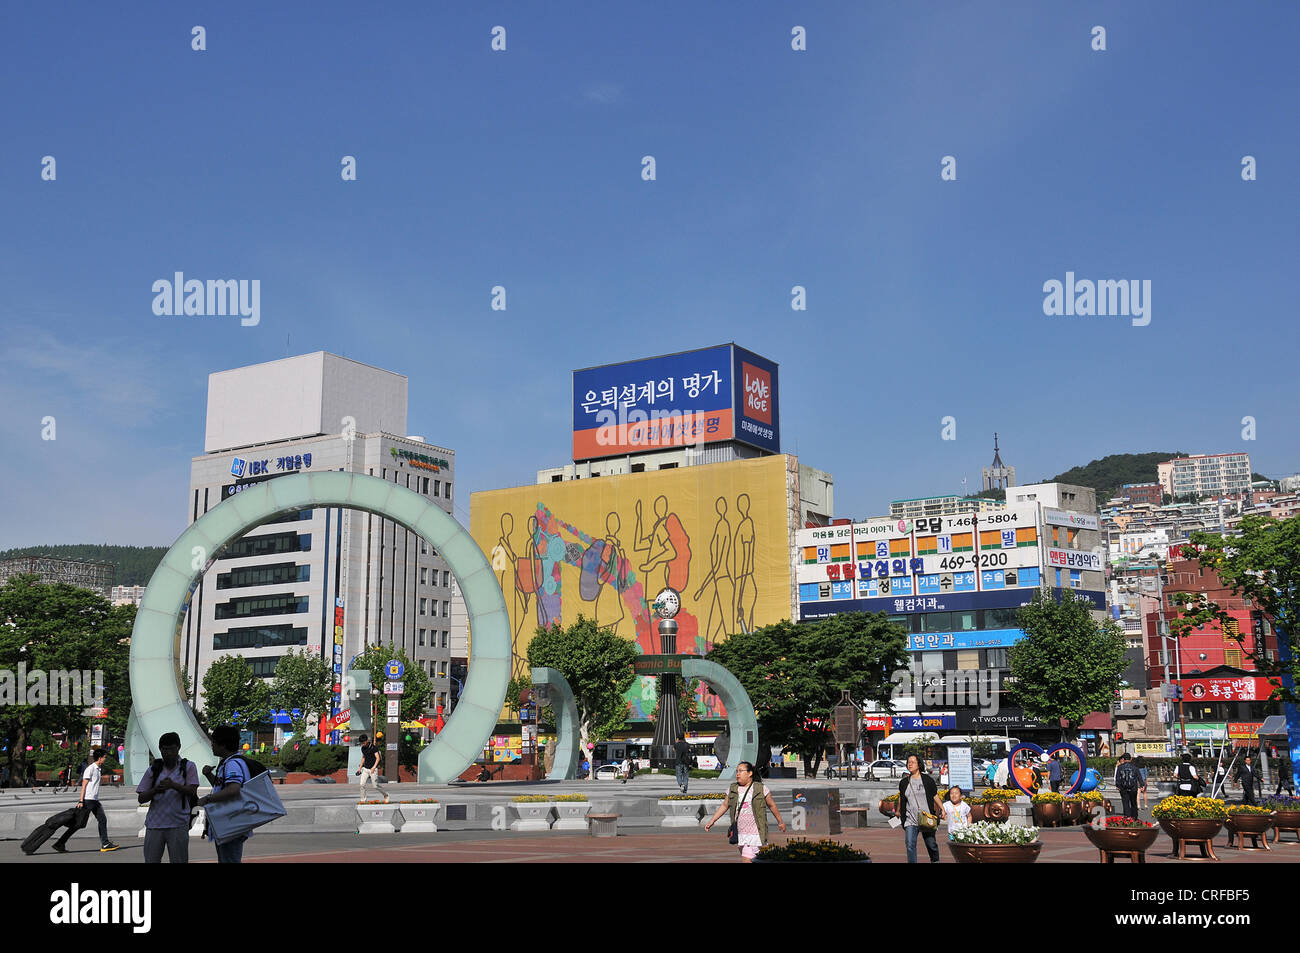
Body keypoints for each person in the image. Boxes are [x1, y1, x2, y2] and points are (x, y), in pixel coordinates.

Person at [136, 732, 200, 863]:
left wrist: (173, 785)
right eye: (165, 749)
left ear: (179, 747)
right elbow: (141, 798)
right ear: (160, 749)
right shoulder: (153, 769)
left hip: (178, 824)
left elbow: (192, 791)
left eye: (172, 749)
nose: (168, 753)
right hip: (154, 825)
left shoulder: (188, 767)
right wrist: (155, 790)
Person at [703, 761, 787, 862]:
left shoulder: (760, 788)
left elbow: (771, 805)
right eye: (736, 771)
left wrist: (780, 822)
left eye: (741, 771)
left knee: (746, 859)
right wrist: (712, 821)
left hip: (756, 833)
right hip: (740, 833)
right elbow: (725, 805)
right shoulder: (733, 788)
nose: (737, 774)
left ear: (749, 773)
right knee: (753, 859)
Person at [197, 726, 251, 863]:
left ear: (223, 744)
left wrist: (208, 798)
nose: (212, 745)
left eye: (214, 742)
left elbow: (233, 789)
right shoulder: (227, 763)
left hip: (232, 823)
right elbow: (221, 786)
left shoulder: (233, 764)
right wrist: (209, 775)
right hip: (229, 822)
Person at [52, 748, 118, 853]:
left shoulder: (98, 769)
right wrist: (81, 800)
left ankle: (105, 843)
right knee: (78, 824)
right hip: (88, 800)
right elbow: (84, 785)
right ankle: (60, 843)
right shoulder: (90, 769)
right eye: (105, 757)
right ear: (100, 758)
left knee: (102, 820)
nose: (105, 759)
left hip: (94, 800)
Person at [898, 754, 941, 863]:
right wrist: (898, 811)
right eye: (908, 762)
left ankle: (935, 861)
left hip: (927, 818)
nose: (910, 764)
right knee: (910, 844)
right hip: (910, 819)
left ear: (919, 764)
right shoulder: (904, 782)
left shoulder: (927, 780)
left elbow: (934, 795)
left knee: (931, 845)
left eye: (913, 762)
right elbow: (901, 798)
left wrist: (943, 809)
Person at [354, 734, 387, 804]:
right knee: (362, 784)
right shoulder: (363, 748)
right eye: (361, 743)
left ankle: (385, 794)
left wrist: (374, 767)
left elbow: (377, 758)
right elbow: (363, 758)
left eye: (363, 743)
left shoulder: (373, 748)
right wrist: (359, 769)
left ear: (367, 741)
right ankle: (363, 800)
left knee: (375, 786)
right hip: (365, 769)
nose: (362, 744)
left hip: (373, 769)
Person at [1113, 753, 1141, 819]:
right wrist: (1141, 784)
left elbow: (1118, 777)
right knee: (1133, 802)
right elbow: (1139, 776)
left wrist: (1118, 785)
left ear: (1123, 759)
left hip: (1123, 787)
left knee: (1125, 802)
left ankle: (1127, 816)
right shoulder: (1135, 767)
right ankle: (1134, 816)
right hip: (1133, 787)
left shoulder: (1120, 767)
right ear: (1130, 759)